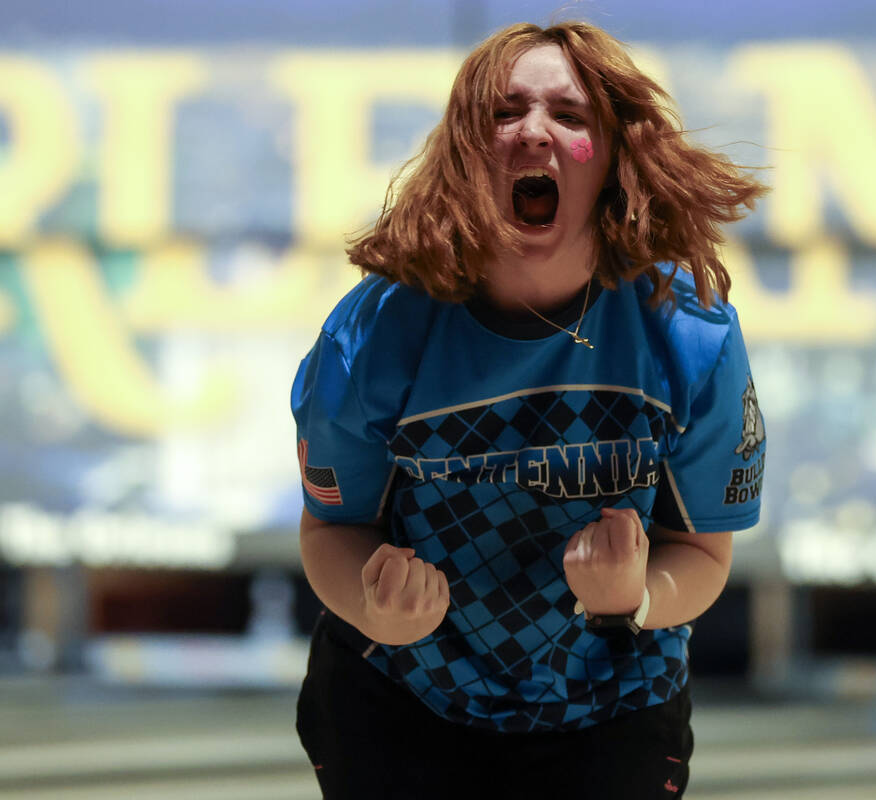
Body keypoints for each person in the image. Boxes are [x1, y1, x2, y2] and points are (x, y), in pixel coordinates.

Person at [291, 20, 767, 800]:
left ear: (615, 157)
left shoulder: (689, 333)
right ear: (463, 155)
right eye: (503, 114)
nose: (533, 133)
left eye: (569, 117)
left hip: (614, 707)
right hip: (401, 700)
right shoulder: (374, 333)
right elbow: (329, 532)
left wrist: (637, 598)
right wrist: (377, 610)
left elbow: (704, 555)